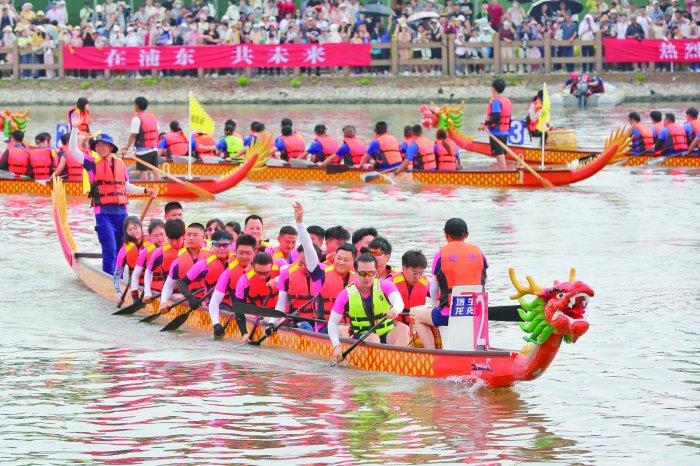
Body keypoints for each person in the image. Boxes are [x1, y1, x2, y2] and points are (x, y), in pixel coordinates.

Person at [67, 116, 156, 275]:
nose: (100, 148)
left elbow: (126, 186)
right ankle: (109, 278)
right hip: (103, 213)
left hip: (122, 212)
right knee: (109, 247)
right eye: (97, 145)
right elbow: (73, 150)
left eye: (103, 145)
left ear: (110, 147)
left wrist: (145, 190)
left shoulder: (121, 165)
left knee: (123, 248)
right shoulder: (91, 164)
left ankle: (120, 277)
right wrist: (74, 129)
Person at [413, 218, 487, 349]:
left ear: (446, 235)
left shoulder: (440, 255)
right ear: (466, 235)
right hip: (477, 314)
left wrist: (435, 306)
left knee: (418, 317)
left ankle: (433, 354)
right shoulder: (479, 253)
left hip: (448, 314)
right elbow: (484, 281)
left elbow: (434, 288)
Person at [328, 253, 410, 363]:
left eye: (371, 273)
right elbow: (332, 323)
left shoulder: (386, 286)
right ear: (356, 273)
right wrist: (336, 346)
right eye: (362, 273)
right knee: (373, 338)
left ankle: (399, 362)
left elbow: (398, 302)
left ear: (376, 272)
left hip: (386, 332)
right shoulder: (345, 294)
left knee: (403, 329)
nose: (367, 277)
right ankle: (377, 364)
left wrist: (395, 310)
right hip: (362, 335)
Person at [288, 202, 357, 333]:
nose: (341, 262)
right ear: (334, 257)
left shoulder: (359, 278)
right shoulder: (320, 273)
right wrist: (299, 221)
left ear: (353, 261)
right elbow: (308, 247)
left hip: (351, 329)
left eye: (346, 260)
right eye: (339, 258)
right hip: (325, 328)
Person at [208, 233, 258, 338]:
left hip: (265, 313)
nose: (244, 257)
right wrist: (216, 324)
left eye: (248, 253)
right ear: (235, 252)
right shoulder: (228, 273)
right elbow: (214, 302)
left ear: (255, 253)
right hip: (240, 313)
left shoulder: (265, 267)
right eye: (241, 253)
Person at [173, 230, 234, 314]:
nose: (222, 248)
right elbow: (182, 283)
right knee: (224, 307)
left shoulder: (239, 262)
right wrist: (190, 298)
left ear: (231, 246)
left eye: (225, 245)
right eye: (217, 245)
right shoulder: (203, 265)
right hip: (218, 303)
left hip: (237, 302)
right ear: (212, 246)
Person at [157, 222, 208, 304]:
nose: (191, 238)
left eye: (195, 235)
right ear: (185, 236)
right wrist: (163, 302)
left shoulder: (212, 257)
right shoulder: (177, 262)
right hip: (189, 298)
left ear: (204, 236)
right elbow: (169, 286)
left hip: (211, 299)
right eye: (188, 235)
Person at [234, 251, 279, 342]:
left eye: (266, 273)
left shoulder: (280, 266)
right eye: (259, 273)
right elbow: (238, 310)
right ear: (253, 268)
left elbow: (289, 271)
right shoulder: (244, 281)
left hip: (283, 315)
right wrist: (244, 333)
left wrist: (277, 279)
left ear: (271, 267)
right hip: (263, 317)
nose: (263, 277)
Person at [142, 219, 186, 301]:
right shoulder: (160, 252)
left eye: (177, 239)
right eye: (171, 239)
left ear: (184, 235)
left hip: (193, 291)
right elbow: (148, 271)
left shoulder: (195, 248)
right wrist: (147, 291)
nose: (174, 243)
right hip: (171, 290)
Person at [122, 96, 160, 181]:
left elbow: (133, 135)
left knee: (143, 171)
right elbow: (157, 131)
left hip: (143, 151)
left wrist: (126, 147)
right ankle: (158, 187)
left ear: (137, 106)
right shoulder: (153, 116)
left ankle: (145, 190)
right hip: (154, 149)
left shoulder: (136, 119)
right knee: (155, 170)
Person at [112, 216, 149, 299]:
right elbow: (116, 275)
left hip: (153, 280)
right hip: (136, 283)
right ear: (126, 232)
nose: (133, 231)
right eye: (129, 230)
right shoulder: (124, 250)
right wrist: (118, 293)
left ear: (141, 227)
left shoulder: (152, 241)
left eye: (136, 228)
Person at [128, 219, 166, 298]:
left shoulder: (176, 248)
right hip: (152, 289)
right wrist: (135, 296)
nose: (159, 238)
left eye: (162, 234)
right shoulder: (144, 252)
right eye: (155, 235)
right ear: (150, 236)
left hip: (171, 289)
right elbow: (135, 276)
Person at [479, 78, 511, 170]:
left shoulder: (496, 101)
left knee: (499, 154)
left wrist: (484, 124)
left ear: (493, 88)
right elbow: (509, 118)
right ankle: (503, 171)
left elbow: (496, 117)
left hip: (497, 133)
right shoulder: (507, 100)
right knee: (501, 154)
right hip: (505, 132)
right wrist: (486, 124)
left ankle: (504, 174)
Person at [392, 250, 431, 325]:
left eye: (421, 273)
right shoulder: (390, 283)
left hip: (417, 324)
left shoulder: (425, 283)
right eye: (415, 273)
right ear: (404, 268)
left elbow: (439, 296)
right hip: (395, 325)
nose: (418, 277)